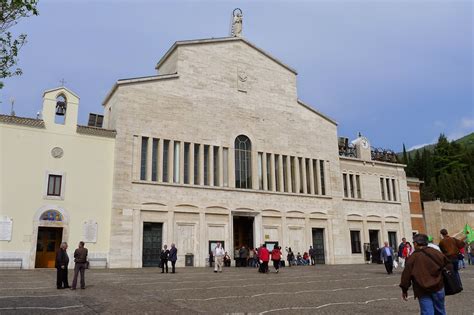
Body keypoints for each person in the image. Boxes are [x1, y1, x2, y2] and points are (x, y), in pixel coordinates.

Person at [400, 234, 451, 315]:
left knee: (427, 312)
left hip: (422, 288)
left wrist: (404, 289)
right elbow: (447, 264)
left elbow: (406, 274)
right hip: (438, 286)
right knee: (440, 311)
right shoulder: (436, 252)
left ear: (416, 243)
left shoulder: (413, 257)